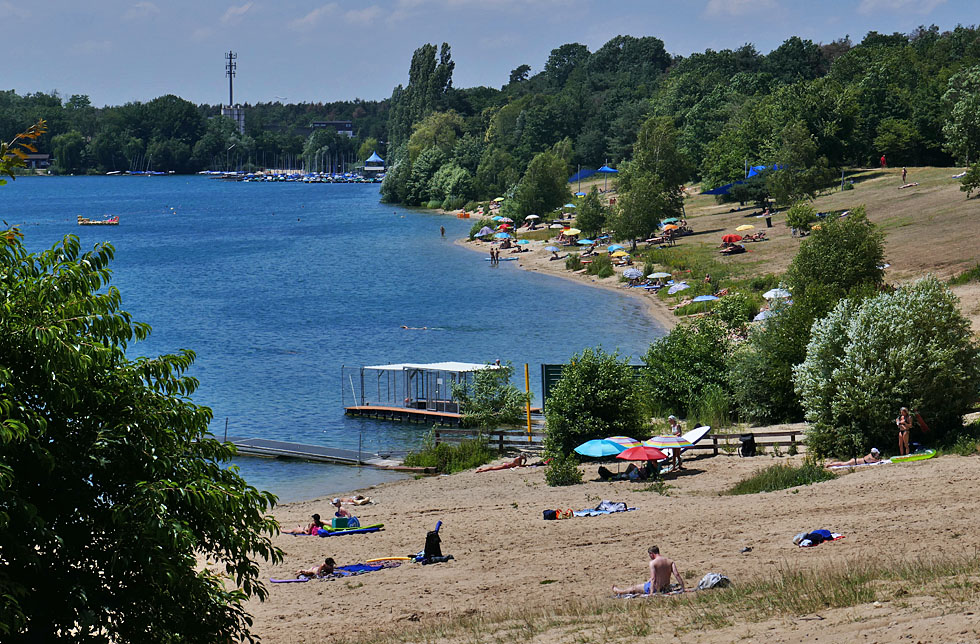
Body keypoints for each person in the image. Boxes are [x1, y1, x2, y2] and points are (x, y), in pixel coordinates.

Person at [612, 546, 686, 596]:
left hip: (656, 588)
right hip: (666, 587)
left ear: (651, 554)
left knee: (634, 588)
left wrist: (651, 593)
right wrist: (683, 588)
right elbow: (677, 574)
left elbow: (653, 578)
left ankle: (619, 591)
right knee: (646, 582)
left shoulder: (653, 563)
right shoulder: (670, 561)